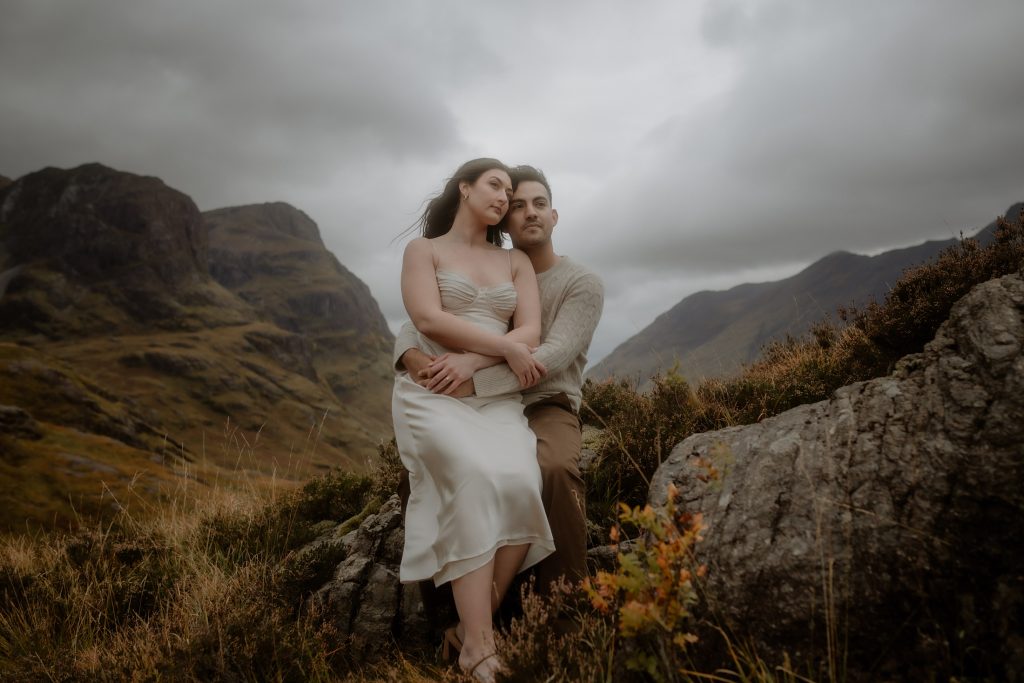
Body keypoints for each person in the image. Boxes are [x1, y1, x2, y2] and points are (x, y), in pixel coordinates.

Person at [396, 164, 604, 623]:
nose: (529, 212)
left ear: (554, 216)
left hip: (544, 400)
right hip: (486, 401)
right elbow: (430, 317)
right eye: (517, 204)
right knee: (428, 476)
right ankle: (446, 616)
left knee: (551, 469)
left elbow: (549, 356)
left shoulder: (579, 282)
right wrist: (406, 351)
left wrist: (472, 375)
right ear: (505, 220)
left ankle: (561, 612)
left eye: (540, 204)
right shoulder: (495, 264)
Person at [392, 158, 555, 681]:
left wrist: (477, 361)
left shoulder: (515, 262)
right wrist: (502, 349)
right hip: (434, 393)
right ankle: (480, 650)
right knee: (474, 476)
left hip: (492, 395)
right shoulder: (424, 251)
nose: (504, 197)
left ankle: (468, 627)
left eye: (509, 190)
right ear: (464, 188)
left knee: (523, 482)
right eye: (495, 185)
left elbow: (530, 332)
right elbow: (427, 318)